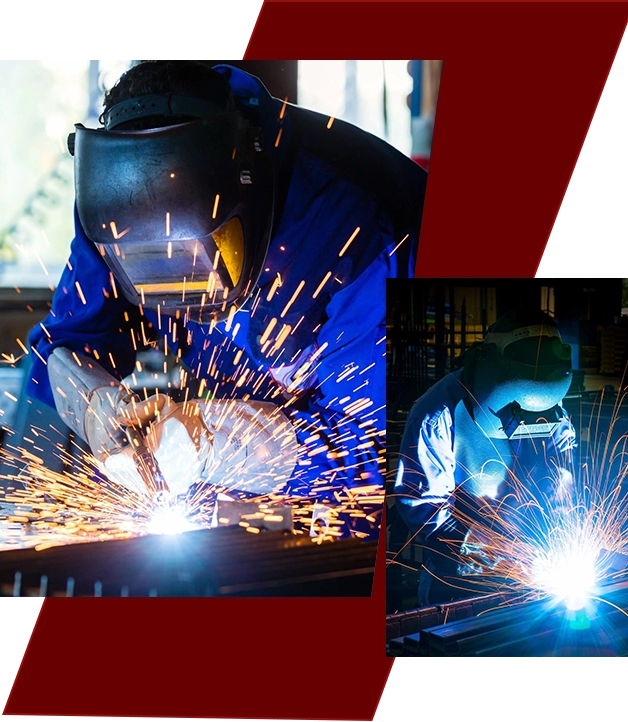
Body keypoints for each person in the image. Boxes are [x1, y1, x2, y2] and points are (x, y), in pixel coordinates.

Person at [25, 59, 426, 532]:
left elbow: (378, 451)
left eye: (196, 260)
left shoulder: (359, 228)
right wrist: (97, 408)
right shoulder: (110, 206)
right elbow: (66, 343)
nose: (183, 299)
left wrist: (217, 442)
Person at [392, 310, 577, 603]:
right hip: (457, 580)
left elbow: (561, 474)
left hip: (533, 577)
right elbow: (422, 507)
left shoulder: (549, 403)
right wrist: (490, 547)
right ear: (490, 366)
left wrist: (560, 522)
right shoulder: (436, 413)